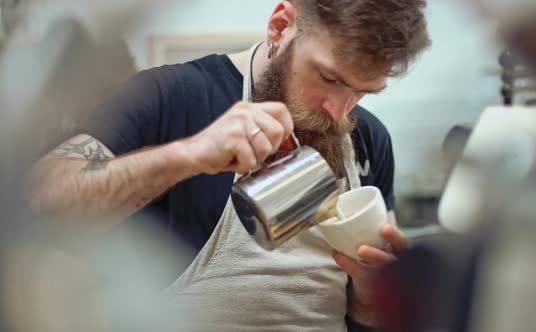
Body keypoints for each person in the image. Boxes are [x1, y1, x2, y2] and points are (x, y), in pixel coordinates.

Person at [26, 0, 430, 330]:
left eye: (364, 92)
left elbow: (368, 316)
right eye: (330, 78)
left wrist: (376, 291)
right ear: (279, 26)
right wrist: (187, 155)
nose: (339, 111)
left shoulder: (369, 139)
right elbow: (39, 202)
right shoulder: (172, 95)